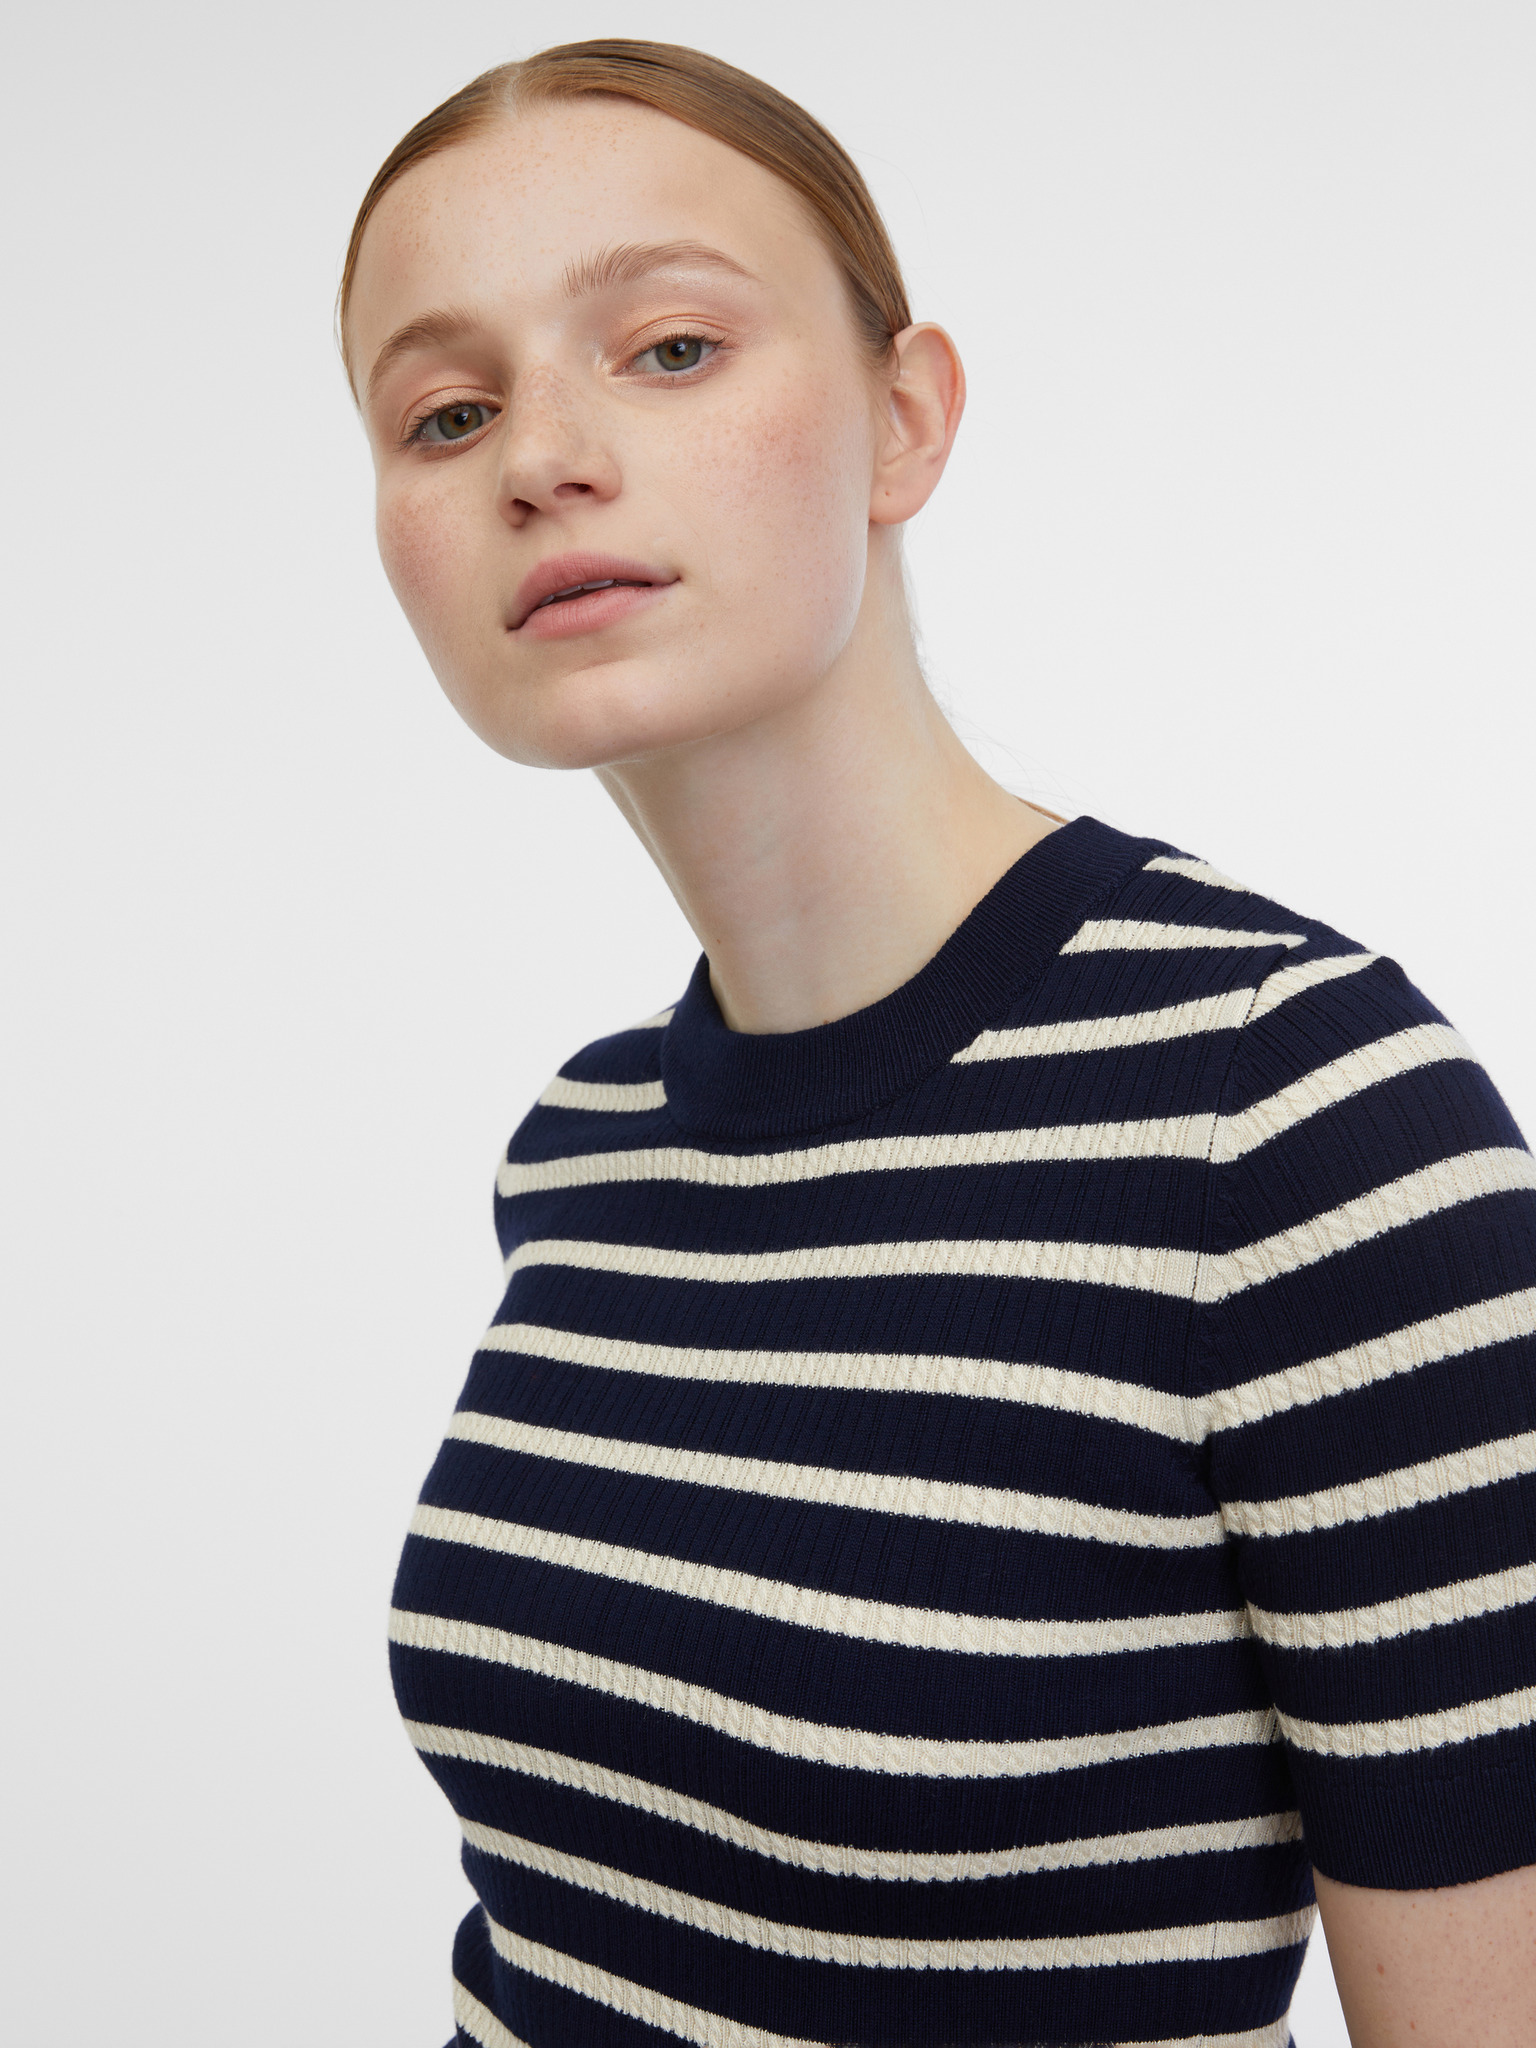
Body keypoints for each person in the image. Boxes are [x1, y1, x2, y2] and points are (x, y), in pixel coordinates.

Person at [339, 38, 1536, 2048]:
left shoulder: (1295, 1119)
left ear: (905, 420)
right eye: (445, 412)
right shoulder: (586, 1147)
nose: (538, 455)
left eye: (670, 349)